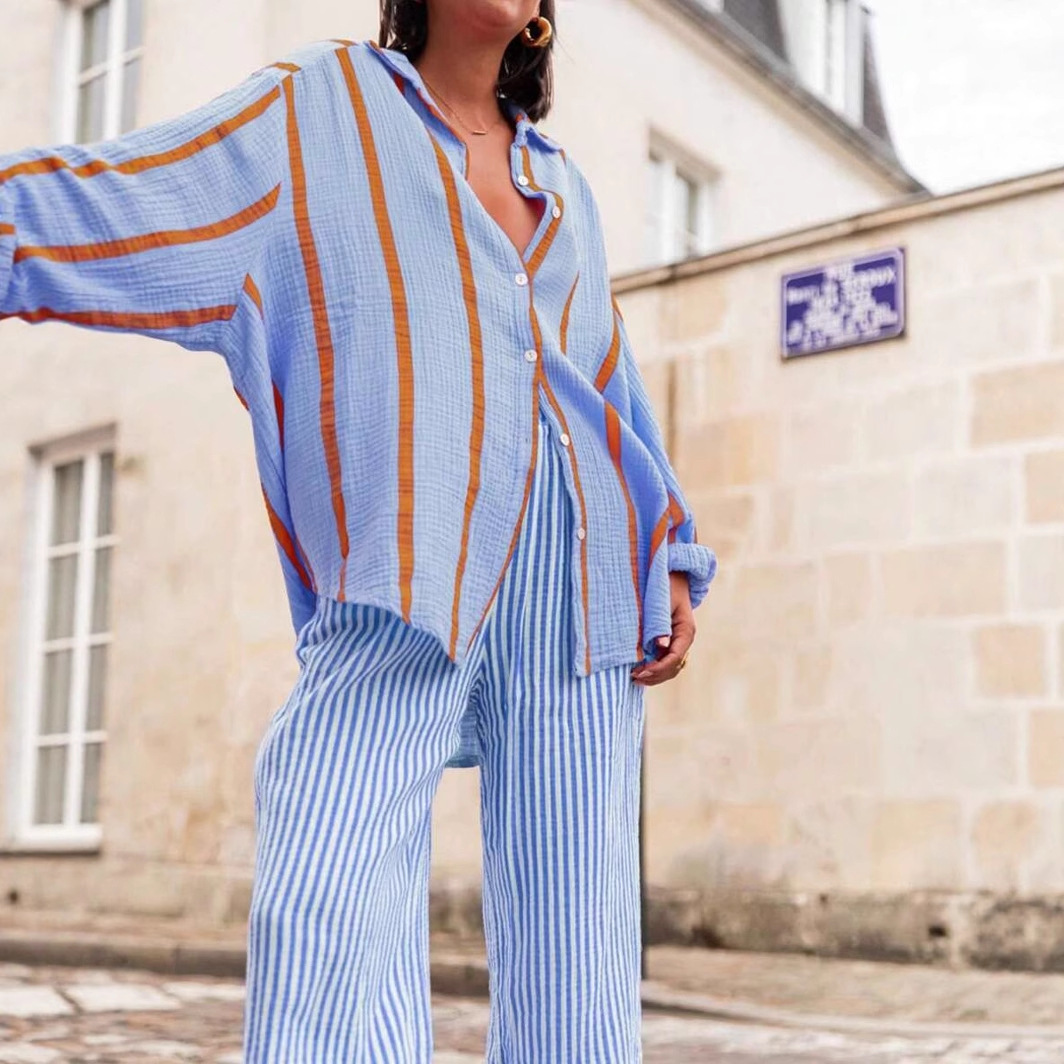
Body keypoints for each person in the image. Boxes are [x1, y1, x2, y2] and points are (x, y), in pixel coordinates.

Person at [0, 0, 717, 1059]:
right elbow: (128, 199)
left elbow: (606, 382)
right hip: (402, 564)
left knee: (580, 950)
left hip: (582, 586)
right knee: (327, 895)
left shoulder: (562, 184)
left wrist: (670, 550)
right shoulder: (319, 112)